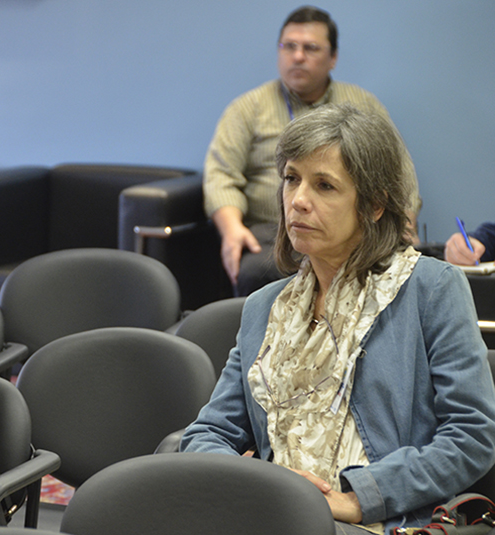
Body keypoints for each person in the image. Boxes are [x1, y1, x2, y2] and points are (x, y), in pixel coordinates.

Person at [182, 104, 495, 534]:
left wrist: (357, 498)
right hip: (271, 512)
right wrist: (265, 483)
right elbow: (205, 435)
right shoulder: (264, 306)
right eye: (292, 178)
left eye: (324, 185)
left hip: (377, 521)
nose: (298, 200)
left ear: (375, 204)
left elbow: (472, 437)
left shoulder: (432, 288)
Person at [203, 5, 420, 297]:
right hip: (273, 232)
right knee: (254, 268)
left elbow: (400, 172)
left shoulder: (362, 104)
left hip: (352, 229)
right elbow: (220, 175)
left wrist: (404, 225)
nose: (298, 56)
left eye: (311, 48)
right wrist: (231, 229)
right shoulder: (248, 108)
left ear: (333, 58)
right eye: (289, 46)